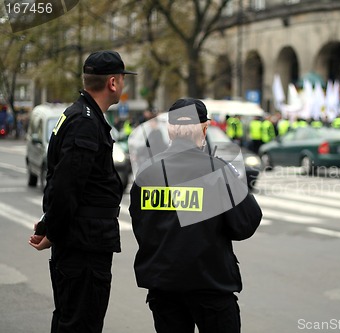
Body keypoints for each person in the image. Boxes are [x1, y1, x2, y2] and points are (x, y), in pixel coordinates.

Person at [129, 98, 262, 333]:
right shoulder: (217, 170)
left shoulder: (147, 173)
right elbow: (246, 223)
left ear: (170, 131)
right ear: (204, 128)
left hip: (164, 285)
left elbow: (141, 225)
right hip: (210, 284)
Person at [28, 50, 137, 333]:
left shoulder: (79, 115)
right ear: (113, 82)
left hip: (82, 239)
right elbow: (66, 187)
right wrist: (52, 230)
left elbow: (63, 181)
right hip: (85, 243)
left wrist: (48, 225)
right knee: (80, 322)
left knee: (71, 317)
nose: (123, 85)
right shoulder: (86, 122)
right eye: (123, 79)